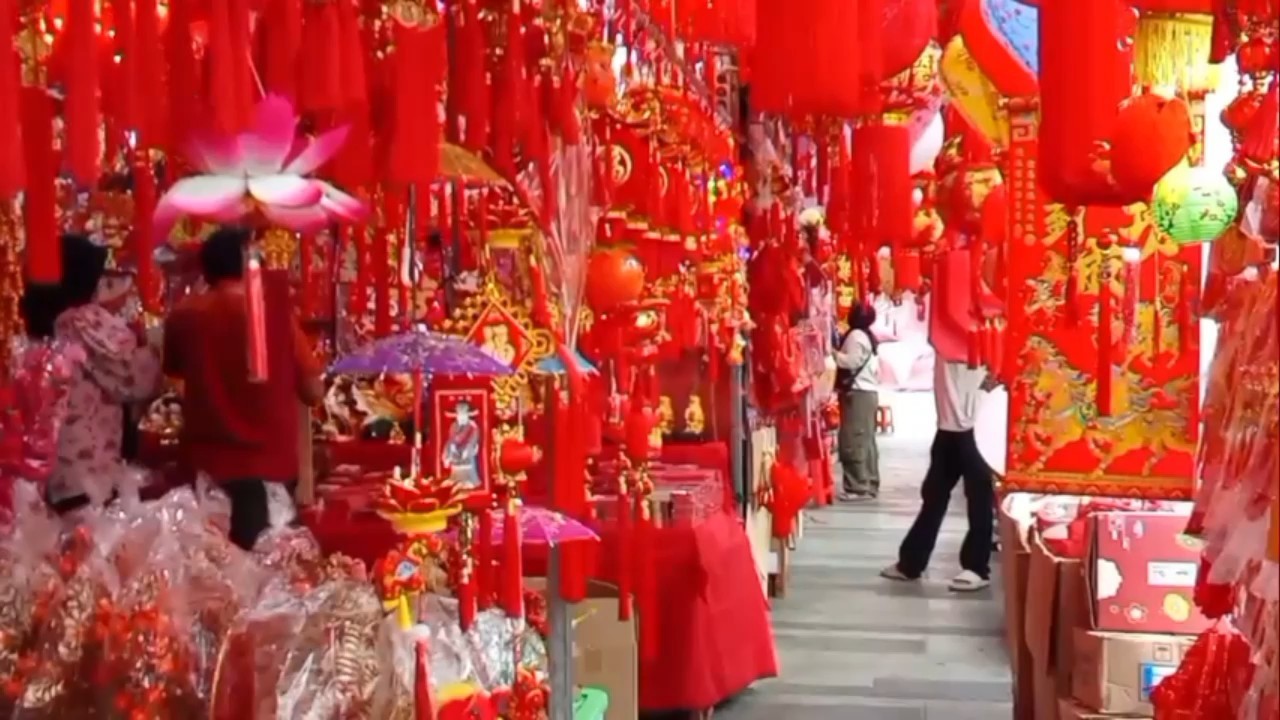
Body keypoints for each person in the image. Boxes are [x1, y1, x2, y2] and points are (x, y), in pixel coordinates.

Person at [163, 226, 324, 550]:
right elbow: (312, 391)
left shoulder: (184, 316)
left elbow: (174, 375)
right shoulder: (271, 315)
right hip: (265, 469)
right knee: (267, 576)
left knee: (214, 581)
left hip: (204, 470)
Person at [46, 234, 163, 514]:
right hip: (86, 464)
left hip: (61, 461)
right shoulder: (82, 320)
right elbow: (136, 378)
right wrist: (155, 343)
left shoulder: (49, 315)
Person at [881, 358, 996, 592]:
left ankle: (976, 567)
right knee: (933, 495)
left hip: (976, 428)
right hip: (947, 429)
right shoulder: (944, 337)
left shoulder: (987, 337)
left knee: (978, 499)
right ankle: (911, 563)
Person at [833, 302, 881, 499]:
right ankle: (869, 482)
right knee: (867, 440)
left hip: (858, 393)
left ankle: (857, 486)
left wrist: (831, 354)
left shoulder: (856, 336)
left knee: (854, 439)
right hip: (868, 393)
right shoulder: (867, 336)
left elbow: (852, 361)